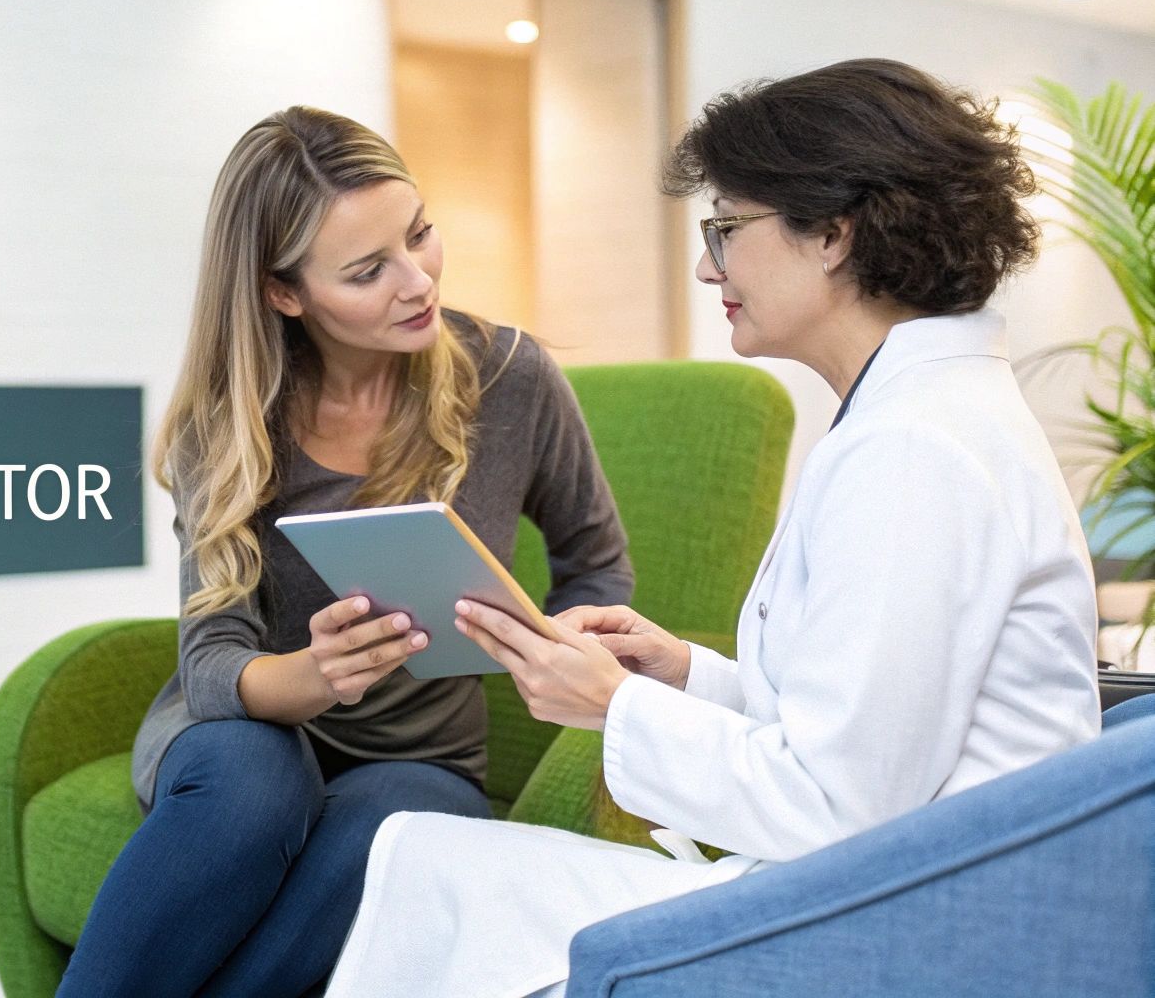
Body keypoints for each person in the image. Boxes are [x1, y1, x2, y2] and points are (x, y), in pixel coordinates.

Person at [324, 58, 1103, 998]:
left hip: (902, 927)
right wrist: (681, 674)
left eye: (727, 229)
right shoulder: (915, 419)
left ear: (835, 235)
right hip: (896, 882)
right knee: (427, 863)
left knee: (435, 876)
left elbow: (836, 800)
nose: (707, 265)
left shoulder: (916, 452)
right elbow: (867, 729)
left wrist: (611, 703)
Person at [54, 106, 634, 998]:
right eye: (368, 271)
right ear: (285, 293)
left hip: (424, 757)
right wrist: (318, 674)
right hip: (243, 732)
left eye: (421, 235)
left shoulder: (510, 376)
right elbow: (211, 663)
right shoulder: (234, 421)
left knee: (400, 818)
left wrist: (547, 645)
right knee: (258, 782)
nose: (418, 282)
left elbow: (596, 564)